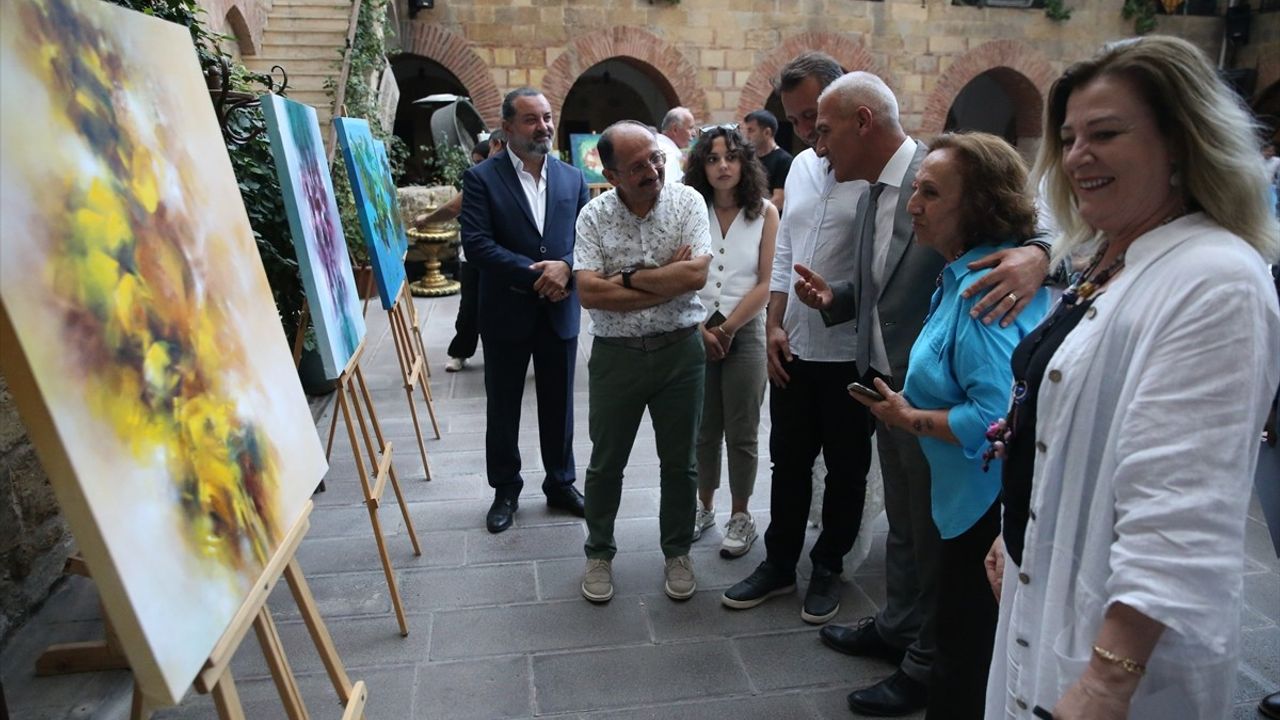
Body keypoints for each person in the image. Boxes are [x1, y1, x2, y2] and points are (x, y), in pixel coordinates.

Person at [981, 36, 1280, 719]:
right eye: (1070, 137)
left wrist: (1106, 683)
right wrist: (1018, 517)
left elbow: (1181, 506)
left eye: (1106, 134)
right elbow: (1071, 405)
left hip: (1117, 656)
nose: (1078, 155)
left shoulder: (1214, 277)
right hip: (1045, 591)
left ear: (1181, 141)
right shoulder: (1114, 256)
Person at [790, 72, 1052, 716]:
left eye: (822, 128)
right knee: (906, 529)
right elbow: (885, 283)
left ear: (862, 122)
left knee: (943, 547)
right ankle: (901, 629)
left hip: (932, 406)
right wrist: (839, 300)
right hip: (891, 389)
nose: (816, 145)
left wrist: (1040, 252)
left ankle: (926, 663)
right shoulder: (875, 194)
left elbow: (1036, 229)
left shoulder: (943, 180)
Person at [718, 52, 872, 628]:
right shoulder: (803, 166)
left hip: (852, 350)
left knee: (847, 465)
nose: (807, 132)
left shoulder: (876, 170)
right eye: (797, 121)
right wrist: (774, 323)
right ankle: (780, 563)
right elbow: (784, 253)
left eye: (814, 118)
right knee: (788, 460)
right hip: (794, 344)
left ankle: (827, 566)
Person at [573, 120, 712, 603]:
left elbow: (694, 275)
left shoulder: (688, 202)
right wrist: (659, 277)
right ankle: (598, 553)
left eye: (655, 157)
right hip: (617, 358)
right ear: (612, 175)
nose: (653, 169)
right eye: (637, 166)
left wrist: (625, 278)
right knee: (605, 463)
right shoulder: (593, 217)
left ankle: (677, 551)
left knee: (681, 462)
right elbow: (588, 291)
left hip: (681, 352)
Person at [459, 88, 589, 534]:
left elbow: (589, 240)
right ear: (509, 127)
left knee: (560, 404)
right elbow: (476, 245)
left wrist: (566, 268)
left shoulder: (573, 179)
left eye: (548, 118)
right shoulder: (481, 178)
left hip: (559, 312)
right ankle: (506, 490)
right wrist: (539, 273)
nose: (544, 127)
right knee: (504, 405)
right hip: (506, 313)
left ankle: (560, 482)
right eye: (532, 120)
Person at [682, 125, 779, 558]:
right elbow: (680, 275)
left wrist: (727, 328)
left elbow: (765, 281)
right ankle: (702, 508)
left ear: (745, 163)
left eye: (732, 157)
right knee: (703, 428)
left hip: (746, 329)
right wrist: (702, 328)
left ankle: (741, 514)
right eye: (713, 158)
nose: (723, 166)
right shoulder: (690, 208)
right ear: (702, 165)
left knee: (742, 429)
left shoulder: (764, 213)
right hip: (695, 327)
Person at [419, 130, 508, 373]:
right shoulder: (482, 178)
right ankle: (460, 352)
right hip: (476, 257)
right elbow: (454, 207)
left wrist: (428, 218)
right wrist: (428, 218)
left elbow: (452, 208)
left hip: (505, 256)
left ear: (496, 145)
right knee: (470, 308)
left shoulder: (513, 175)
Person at [742, 109, 793, 213]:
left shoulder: (784, 160)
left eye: (751, 130)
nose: (747, 136)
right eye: (746, 130)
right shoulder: (748, 158)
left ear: (767, 132)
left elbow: (779, 200)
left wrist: (752, 216)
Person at [657, 106, 698, 185]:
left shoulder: (656, 143)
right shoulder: (669, 153)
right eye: (690, 128)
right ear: (675, 130)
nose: (694, 133)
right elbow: (667, 189)